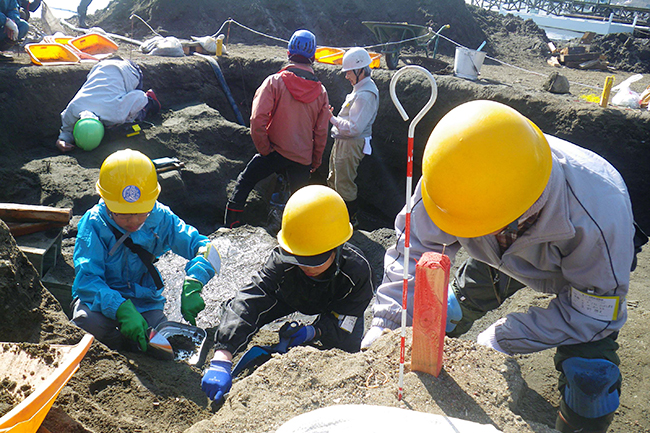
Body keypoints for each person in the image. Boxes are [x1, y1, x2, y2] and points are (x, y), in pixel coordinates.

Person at [361, 100, 645, 433]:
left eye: (484, 223)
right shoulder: (450, 175)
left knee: (592, 381)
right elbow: (414, 250)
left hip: (582, 267)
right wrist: (389, 323)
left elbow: (592, 314)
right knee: (449, 310)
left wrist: (501, 339)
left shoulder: (599, 218)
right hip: (496, 255)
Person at [203, 185, 374, 401]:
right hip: (291, 293)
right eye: (299, 259)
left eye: (314, 261)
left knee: (347, 348)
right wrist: (222, 357)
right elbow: (251, 299)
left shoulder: (356, 273)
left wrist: (314, 332)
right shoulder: (283, 261)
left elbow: (347, 318)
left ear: (337, 247)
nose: (307, 267)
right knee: (237, 312)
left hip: (336, 302)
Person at [71, 149, 221, 353]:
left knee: (161, 345)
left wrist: (195, 280)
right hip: (99, 299)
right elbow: (87, 280)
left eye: (141, 213)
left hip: (144, 300)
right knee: (86, 325)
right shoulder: (94, 223)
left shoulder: (160, 218)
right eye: (123, 214)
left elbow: (205, 247)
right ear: (105, 200)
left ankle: (129, 343)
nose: (133, 221)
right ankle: (117, 345)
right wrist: (121, 308)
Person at [224, 29, 330, 229]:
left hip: (275, 152)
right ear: (313, 56)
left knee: (245, 182)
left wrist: (265, 149)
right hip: (302, 159)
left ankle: (231, 226)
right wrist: (314, 161)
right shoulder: (321, 92)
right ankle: (297, 238)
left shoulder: (275, 82)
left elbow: (257, 119)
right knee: (300, 203)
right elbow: (321, 132)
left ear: (289, 52)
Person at [56, 58, 161, 152]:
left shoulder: (116, 114)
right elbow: (66, 131)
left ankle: (151, 99)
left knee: (131, 119)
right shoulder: (73, 108)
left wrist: (128, 118)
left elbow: (140, 97)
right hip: (100, 66)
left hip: (130, 70)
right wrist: (62, 140)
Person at [327, 47, 379, 224]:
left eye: (348, 72)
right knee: (334, 179)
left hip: (351, 143)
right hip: (344, 141)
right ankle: (336, 216)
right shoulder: (360, 89)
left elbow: (355, 128)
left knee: (344, 185)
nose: (346, 76)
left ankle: (349, 221)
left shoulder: (365, 95)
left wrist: (332, 119)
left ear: (360, 70)